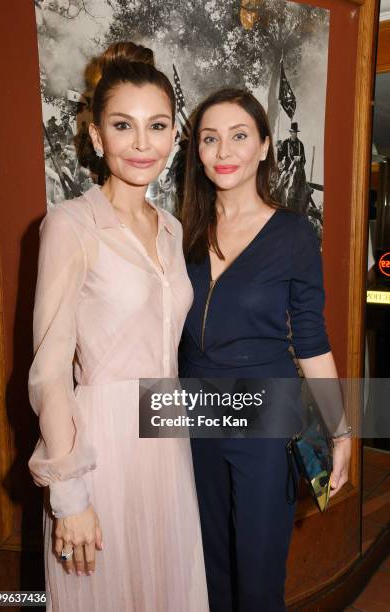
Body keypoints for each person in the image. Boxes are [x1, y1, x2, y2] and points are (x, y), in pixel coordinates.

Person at [28, 41, 209, 612]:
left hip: (166, 437)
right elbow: (50, 372)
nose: (141, 143)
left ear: (174, 136)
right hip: (99, 447)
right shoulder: (70, 225)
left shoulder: (174, 230)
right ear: (98, 137)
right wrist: (69, 493)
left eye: (156, 126)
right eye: (123, 126)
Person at [179, 88, 351, 611]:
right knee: (207, 568)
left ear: (263, 147)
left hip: (263, 413)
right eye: (210, 139)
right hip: (191, 411)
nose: (224, 151)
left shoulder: (294, 233)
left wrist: (341, 429)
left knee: (256, 576)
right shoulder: (180, 231)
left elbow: (312, 339)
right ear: (198, 151)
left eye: (239, 136)